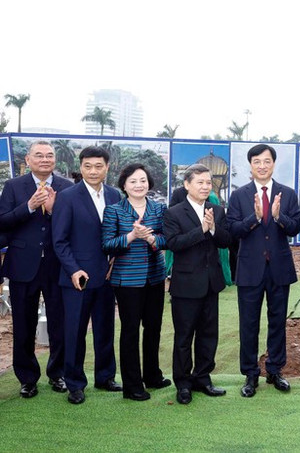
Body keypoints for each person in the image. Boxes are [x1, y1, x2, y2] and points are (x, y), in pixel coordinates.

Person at [227, 144, 300, 398]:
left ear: (273, 164)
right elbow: (232, 231)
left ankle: (275, 370)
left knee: (277, 322)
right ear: (250, 165)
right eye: (257, 161)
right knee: (248, 323)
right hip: (249, 269)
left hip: (279, 268)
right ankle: (250, 373)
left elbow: (295, 228)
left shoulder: (288, 194)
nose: (262, 165)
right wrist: (255, 218)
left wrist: (279, 217)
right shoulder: (239, 196)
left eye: (266, 161)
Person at [0, 140, 71, 398]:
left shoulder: (67, 187)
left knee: (59, 322)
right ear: (28, 160)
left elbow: (72, 225)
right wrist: (29, 206)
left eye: (49, 155)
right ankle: (27, 378)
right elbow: (3, 222)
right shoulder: (13, 186)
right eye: (39, 155)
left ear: (55, 160)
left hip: (57, 264)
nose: (45, 159)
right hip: (22, 264)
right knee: (23, 323)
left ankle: (58, 373)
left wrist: (53, 211)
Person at [52, 146, 122, 404]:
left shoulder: (115, 195)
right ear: (81, 168)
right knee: (75, 332)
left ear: (107, 168)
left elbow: (118, 235)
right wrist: (73, 269)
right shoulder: (68, 197)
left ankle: (105, 377)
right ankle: (75, 383)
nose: (93, 171)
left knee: (105, 329)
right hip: (77, 279)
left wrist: (116, 260)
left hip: (107, 276)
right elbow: (59, 241)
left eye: (98, 166)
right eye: (88, 166)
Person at [101, 163, 171, 401]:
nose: (139, 185)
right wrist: (131, 236)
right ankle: (132, 385)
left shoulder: (159, 209)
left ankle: (153, 375)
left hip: (155, 276)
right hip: (127, 279)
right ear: (124, 185)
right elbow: (107, 244)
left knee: (153, 327)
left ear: (149, 183)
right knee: (130, 331)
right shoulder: (114, 210)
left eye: (142, 180)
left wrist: (151, 238)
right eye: (133, 181)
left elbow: (167, 239)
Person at [163, 164, 232, 405]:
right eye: (200, 182)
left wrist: (213, 229)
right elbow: (173, 243)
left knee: (208, 335)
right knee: (184, 337)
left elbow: (226, 241)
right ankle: (182, 384)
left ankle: (203, 378)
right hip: (185, 285)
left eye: (208, 182)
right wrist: (201, 230)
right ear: (187, 185)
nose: (205, 186)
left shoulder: (217, 210)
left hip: (211, 284)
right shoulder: (174, 213)